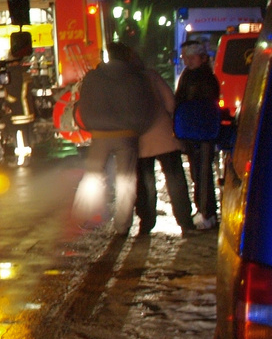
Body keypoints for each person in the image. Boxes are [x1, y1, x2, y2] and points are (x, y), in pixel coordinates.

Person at [73, 42, 159, 234]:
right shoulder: (135, 78)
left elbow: (82, 104)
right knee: (126, 179)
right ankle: (122, 225)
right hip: (127, 134)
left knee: (93, 175)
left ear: (108, 55)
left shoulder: (93, 77)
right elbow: (147, 104)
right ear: (127, 56)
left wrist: (89, 125)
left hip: (100, 133)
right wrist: (140, 127)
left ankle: (82, 215)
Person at [133, 50, 196, 235]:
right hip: (163, 134)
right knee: (175, 178)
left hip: (139, 137)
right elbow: (170, 101)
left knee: (145, 181)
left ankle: (146, 222)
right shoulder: (152, 76)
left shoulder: (126, 81)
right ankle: (185, 220)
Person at [176, 40, 222, 229]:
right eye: (185, 57)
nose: (187, 61)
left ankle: (207, 212)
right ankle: (204, 210)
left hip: (200, 130)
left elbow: (191, 101)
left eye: (190, 57)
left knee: (202, 172)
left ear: (201, 57)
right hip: (196, 130)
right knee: (198, 172)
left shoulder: (202, 76)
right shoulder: (193, 74)